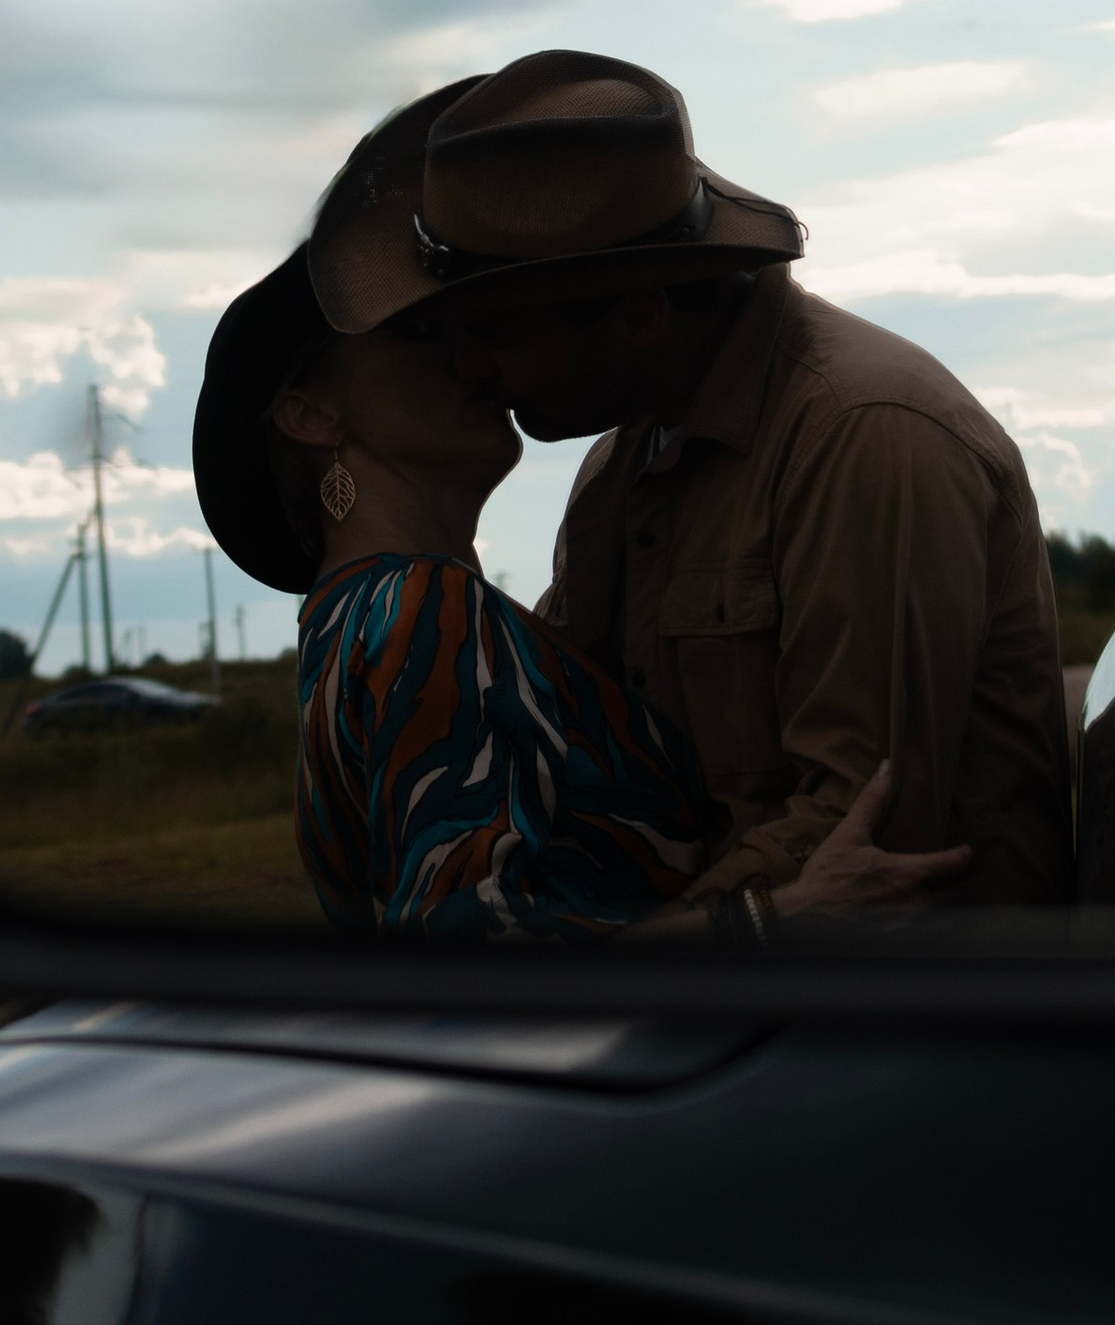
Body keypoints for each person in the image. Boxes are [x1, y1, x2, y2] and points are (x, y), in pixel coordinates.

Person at [320, 47, 1074, 919]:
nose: (464, 366)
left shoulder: (865, 438)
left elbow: (864, 834)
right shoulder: (624, 466)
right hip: (744, 1015)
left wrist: (631, 972)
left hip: (919, 1025)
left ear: (640, 317)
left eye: (490, 330)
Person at [192, 148, 971, 944]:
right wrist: (771, 921)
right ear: (313, 416)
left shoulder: (352, 619)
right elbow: (485, 963)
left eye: (473, 323)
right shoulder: (427, 609)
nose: (468, 355)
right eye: (422, 334)